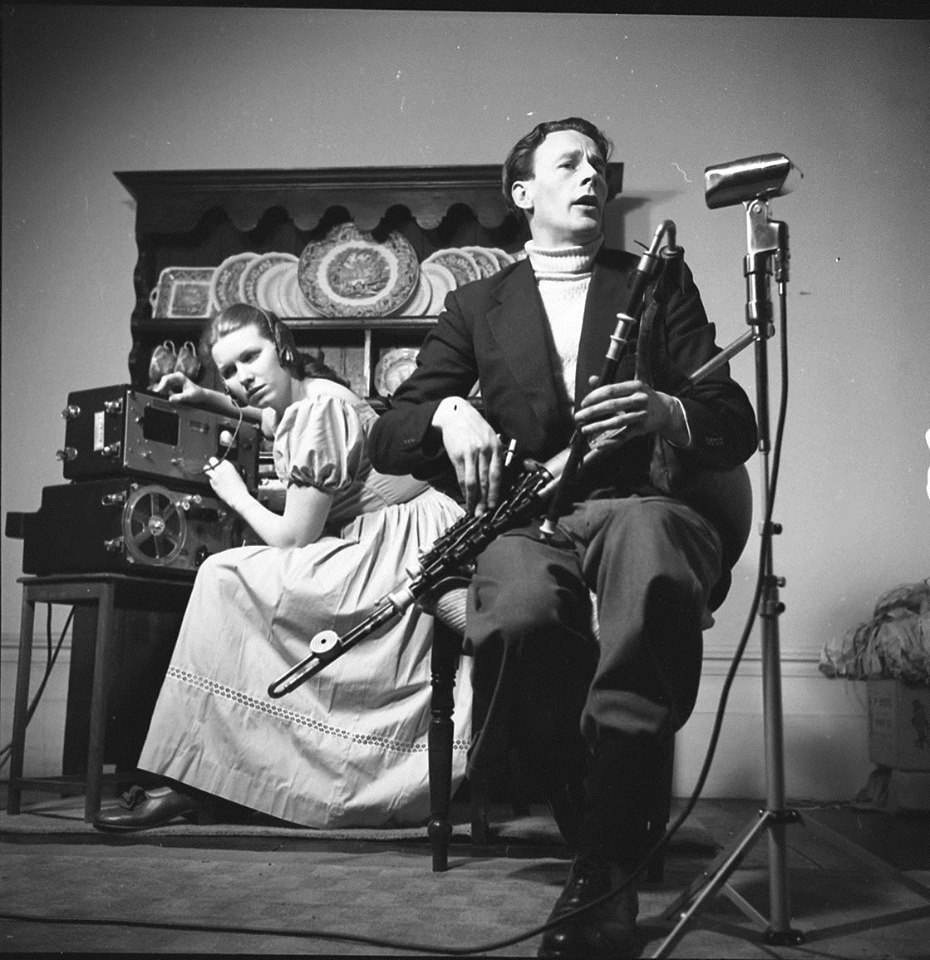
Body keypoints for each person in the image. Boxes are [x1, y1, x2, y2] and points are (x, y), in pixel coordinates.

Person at [367, 117, 758, 958]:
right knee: (517, 616)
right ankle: (590, 793)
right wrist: (447, 406)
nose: (592, 176)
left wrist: (666, 411)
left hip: (646, 504)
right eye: (569, 163)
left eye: (598, 165)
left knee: (650, 558)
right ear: (524, 194)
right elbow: (387, 436)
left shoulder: (658, 282)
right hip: (532, 519)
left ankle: (604, 867)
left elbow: (734, 420)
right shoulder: (478, 303)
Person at [93, 304, 471, 832]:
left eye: (252, 357)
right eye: (228, 370)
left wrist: (239, 496)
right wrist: (203, 395)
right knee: (233, 584)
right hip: (400, 536)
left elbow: (293, 539)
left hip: (396, 553)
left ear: (282, 348)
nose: (242, 378)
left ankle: (194, 781)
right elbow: (258, 410)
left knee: (222, 578)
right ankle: (204, 776)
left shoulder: (317, 412)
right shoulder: (300, 394)